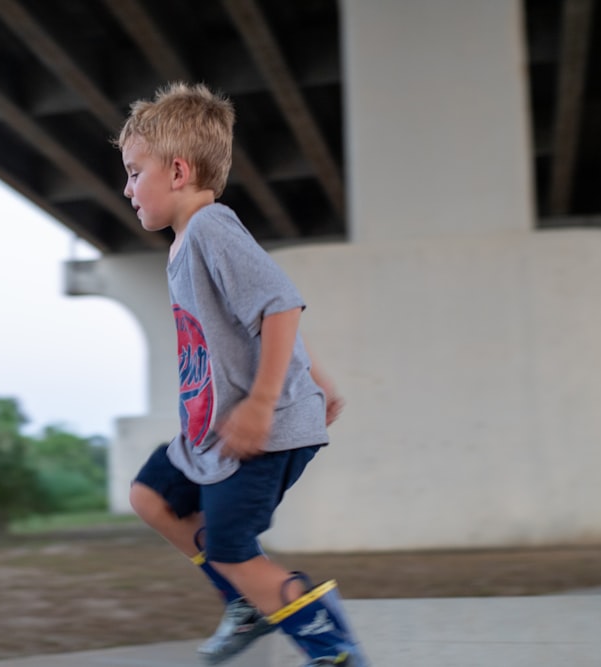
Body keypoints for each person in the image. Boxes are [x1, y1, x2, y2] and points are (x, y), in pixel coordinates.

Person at [115, 81, 370, 667]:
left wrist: (262, 401)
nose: (126, 188)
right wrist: (318, 379)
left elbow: (280, 303)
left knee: (231, 546)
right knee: (151, 497)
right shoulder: (185, 246)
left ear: (178, 171)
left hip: (261, 430)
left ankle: (331, 648)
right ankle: (246, 604)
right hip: (212, 433)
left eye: (134, 172)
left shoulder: (211, 228)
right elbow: (257, 312)